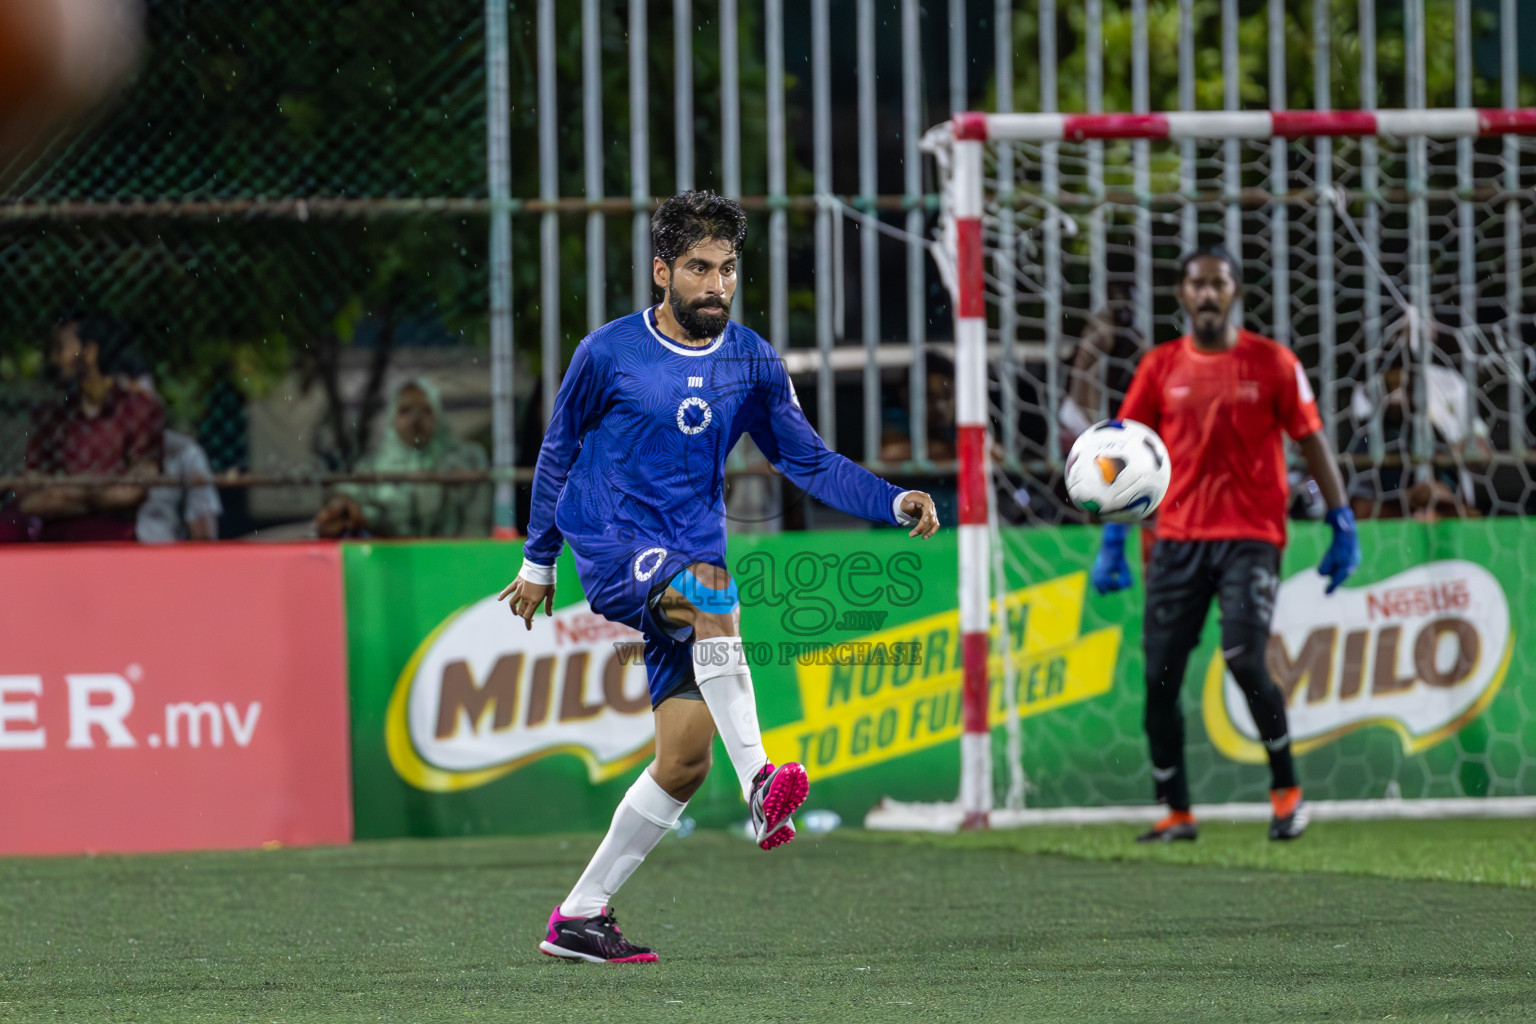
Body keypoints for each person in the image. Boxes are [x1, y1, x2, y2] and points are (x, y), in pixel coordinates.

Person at [500, 190, 941, 964]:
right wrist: (539, 561)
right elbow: (557, 453)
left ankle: (580, 915)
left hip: (692, 553)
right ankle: (763, 786)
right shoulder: (606, 353)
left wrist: (890, 498)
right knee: (711, 591)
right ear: (662, 273)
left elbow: (806, 460)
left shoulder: (751, 361)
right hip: (612, 543)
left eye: (728, 269)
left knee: (683, 759)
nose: (717, 285)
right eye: (699, 268)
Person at [1090, 246, 1361, 844]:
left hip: (1250, 539)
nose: (1208, 294)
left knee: (1244, 657)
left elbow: (1312, 441)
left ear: (1235, 291)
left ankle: (1286, 794)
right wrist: (1113, 537)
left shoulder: (1273, 363)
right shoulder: (1160, 368)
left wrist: (1341, 518)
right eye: (1197, 284)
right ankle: (1175, 811)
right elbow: (1121, 451)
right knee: (1160, 675)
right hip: (1176, 542)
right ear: (1183, 296)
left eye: (1218, 283)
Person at [3, 313, 163, 542]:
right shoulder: (51, 414)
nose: (56, 359)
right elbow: (28, 491)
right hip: (53, 532)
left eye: (62, 348)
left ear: (90, 352)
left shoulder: (140, 411)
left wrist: (71, 491)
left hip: (111, 534)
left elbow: (132, 491)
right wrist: (99, 492)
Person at [315, 377, 491, 539]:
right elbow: (353, 494)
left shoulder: (467, 459)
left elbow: (476, 527)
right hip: (394, 562)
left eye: (426, 410)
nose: (416, 418)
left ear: (438, 416)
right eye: (405, 410)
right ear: (392, 417)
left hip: (453, 560)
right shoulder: (376, 465)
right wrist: (342, 502)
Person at [107, 346, 223, 543]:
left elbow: (204, 536)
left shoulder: (184, 451)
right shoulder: (90, 452)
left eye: (145, 403)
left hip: (162, 560)